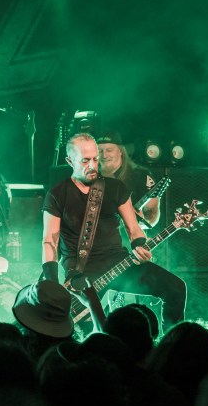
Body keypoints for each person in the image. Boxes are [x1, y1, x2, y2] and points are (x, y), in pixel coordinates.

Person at [41, 133, 186, 329]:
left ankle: (171, 341)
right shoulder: (57, 195)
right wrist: (52, 284)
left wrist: (139, 245)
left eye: (95, 159)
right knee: (85, 332)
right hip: (80, 273)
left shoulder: (115, 188)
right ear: (70, 161)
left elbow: (134, 229)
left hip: (118, 265)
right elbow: (50, 241)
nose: (92, 165)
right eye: (85, 160)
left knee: (176, 288)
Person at [96, 131, 160, 229]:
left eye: (109, 150)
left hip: (128, 237)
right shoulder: (91, 176)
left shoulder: (140, 175)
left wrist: (138, 224)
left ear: (120, 151)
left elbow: (152, 215)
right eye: (100, 151)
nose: (104, 155)